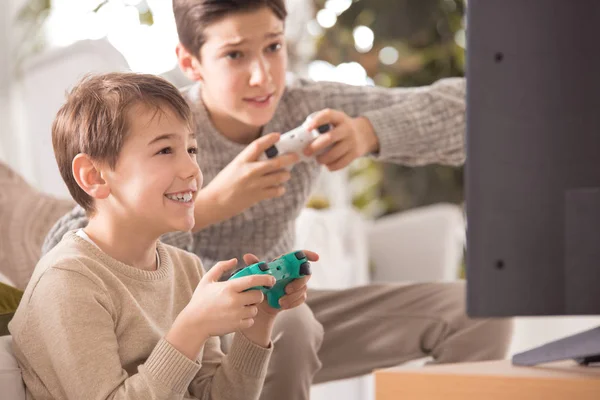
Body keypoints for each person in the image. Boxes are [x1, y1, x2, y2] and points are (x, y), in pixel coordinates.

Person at [43, 1, 514, 399]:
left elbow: (485, 108)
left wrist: (371, 132)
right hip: (191, 324)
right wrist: (212, 203)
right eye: (234, 55)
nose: (262, 76)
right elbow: (71, 237)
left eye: (273, 46)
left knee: (478, 313)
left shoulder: (304, 108)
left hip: (278, 313)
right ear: (191, 62)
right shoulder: (163, 126)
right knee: (294, 326)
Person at [10, 72, 315, 400]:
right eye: (165, 151)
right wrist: (193, 325)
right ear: (94, 175)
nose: (192, 170)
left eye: (191, 149)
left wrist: (260, 320)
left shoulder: (186, 268)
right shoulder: (68, 281)